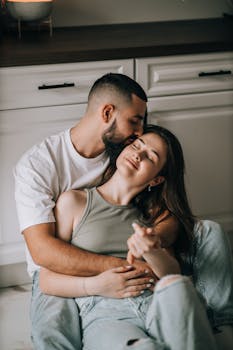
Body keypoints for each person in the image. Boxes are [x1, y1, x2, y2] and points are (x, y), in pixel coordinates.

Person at [14, 74, 179, 350]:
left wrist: (151, 247)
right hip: (58, 269)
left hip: (133, 280)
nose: (139, 134)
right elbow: (44, 254)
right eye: (135, 121)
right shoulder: (37, 165)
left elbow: (169, 214)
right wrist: (123, 270)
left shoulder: (123, 155)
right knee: (53, 334)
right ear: (107, 113)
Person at [39, 124, 232, 350]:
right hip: (106, 312)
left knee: (178, 289)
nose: (138, 154)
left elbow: (171, 275)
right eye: (136, 144)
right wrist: (95, 285)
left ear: (156, 180)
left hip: (158, 304)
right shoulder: (75, 202)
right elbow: (46, 280)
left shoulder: (153, 216)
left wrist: (152, 251)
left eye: (150, 155)